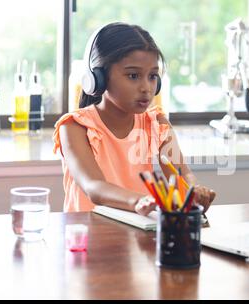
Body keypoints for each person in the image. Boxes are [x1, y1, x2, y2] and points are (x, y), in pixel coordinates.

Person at [53, 22, 216, 215]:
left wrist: (194, 190)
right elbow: (94, 187)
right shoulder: (74, 127)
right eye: (133, 75)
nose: (146, 88)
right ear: (99, 77)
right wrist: (140, 201)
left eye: (153, 76)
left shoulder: (157, 123)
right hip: (87, 237)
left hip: (137, 235)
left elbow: (182, 173)